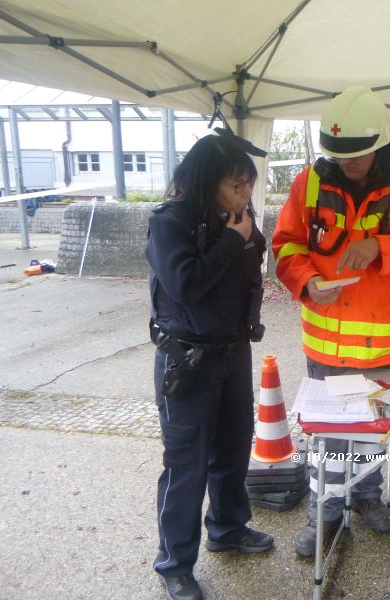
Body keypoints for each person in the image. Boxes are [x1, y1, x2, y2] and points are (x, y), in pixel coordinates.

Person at [272, 86, 390, 557]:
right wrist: (307, 280)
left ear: (380, 145)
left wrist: (383, 248)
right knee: (329, 435)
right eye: (338, 156)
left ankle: (368, 496)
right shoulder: (309, 182)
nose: (345, 164)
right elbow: (286, 245)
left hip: (387, 346)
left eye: (355, 156)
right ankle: (325, 514)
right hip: (327, 346)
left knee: (377, 428)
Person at [145, 130, 273, 600]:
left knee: (235, 447)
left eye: (247, 186)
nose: (245, 194)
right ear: (205, 181)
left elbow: (252, 259)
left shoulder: (236, 217)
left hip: (233, 351)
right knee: (186, 464)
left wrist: (240, 231)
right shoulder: (170, 221)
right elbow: (185, 284)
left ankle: (228, 526)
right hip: (189, 360)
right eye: (236, 185)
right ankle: (175, 562)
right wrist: (229, 240)